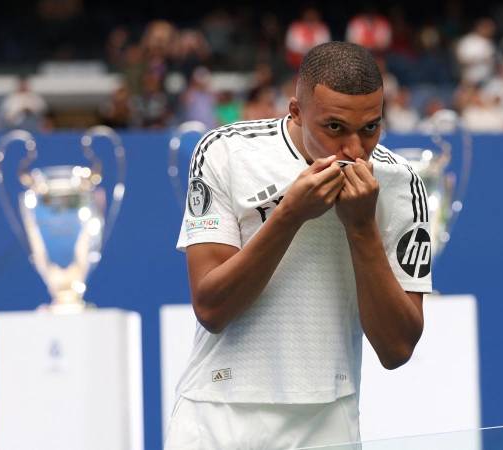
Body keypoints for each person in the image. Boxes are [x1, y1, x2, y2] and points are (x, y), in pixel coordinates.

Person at [168, 41, 432, 449]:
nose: (354, 150)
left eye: (370, 128)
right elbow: (211, 307)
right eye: (334, 128)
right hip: (218, 412)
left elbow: (397, 349)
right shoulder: (226, 151)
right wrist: (289, 214)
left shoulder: (401, 182)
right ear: (295, 111)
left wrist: (361, 228)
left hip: (328, 418)